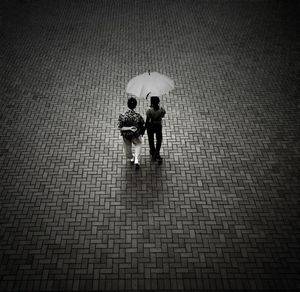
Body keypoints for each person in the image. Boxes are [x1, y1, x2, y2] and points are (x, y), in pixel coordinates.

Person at [118, 97, 145, 169]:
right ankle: (136, 159)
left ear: (128, 105)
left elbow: (120, 127)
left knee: (127, 147)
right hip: (135, 134)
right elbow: (142, 124)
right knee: (138, 144)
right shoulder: (137, 116)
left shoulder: (123, 116)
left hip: (126, 135)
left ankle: (131, 157)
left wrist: (128, 128)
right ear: (135, 106)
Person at [145, 96, 166, 163]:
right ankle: (157, 152)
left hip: (151, 126)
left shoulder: (149, 110)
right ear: (158, 102)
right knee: (159, 139)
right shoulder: (161, 109)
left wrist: (145, 127)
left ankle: (152, 151)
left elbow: (147, 120)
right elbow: (162, 116)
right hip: (158, 126)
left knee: (151, 139)